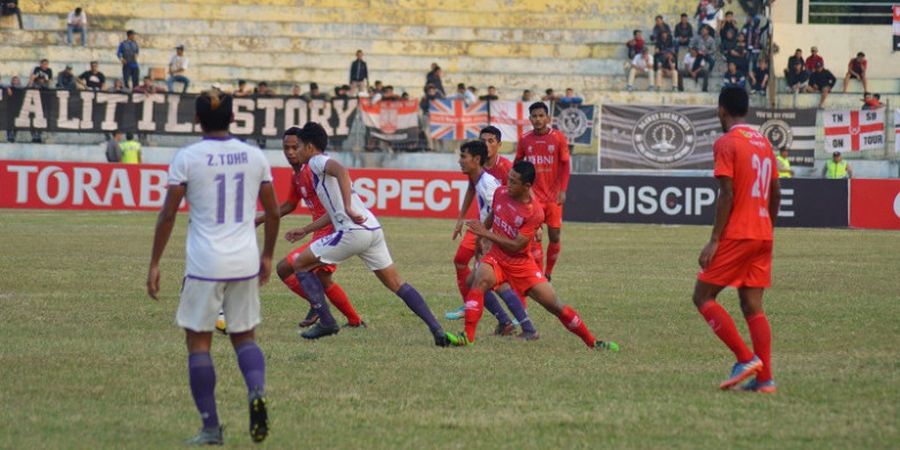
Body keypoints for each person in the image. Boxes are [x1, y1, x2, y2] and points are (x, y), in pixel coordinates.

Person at [146, 91, 278, 444]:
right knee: (244, 337)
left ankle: (210, 427)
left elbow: (169, 213)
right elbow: (274, 210)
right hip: (245, 260)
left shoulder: (187, 158)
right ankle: (255, 390)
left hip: (205, 263)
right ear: (234, 118)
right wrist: (267, 256)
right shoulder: (254, 156)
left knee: (199, 343)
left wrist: (155, 262)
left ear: (197, 121)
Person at [282, 122, 453, 346]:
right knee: (397, 284)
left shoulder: (316, 161)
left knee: (300, 265)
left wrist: (349, 209)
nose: (297, 151)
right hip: (372, 229)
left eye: (300, 146)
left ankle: (325, 321)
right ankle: (438, 331)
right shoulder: (318, 166)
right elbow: (334, 211)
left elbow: (341, 171)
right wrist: (305, 230)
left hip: (352, 231)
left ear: (310, 147)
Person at [448, 159, 618, 351]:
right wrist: (481, 239)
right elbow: (493, 215)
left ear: (527, 186)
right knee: (478, 281)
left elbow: (516, 245)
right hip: (496, 257)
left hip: (521, 264)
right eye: (509, 179)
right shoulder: (500, 192)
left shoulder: (534, 212)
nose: (508, 184)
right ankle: (467, 336)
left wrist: (485, 234)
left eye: (513, 182)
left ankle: (592, 342)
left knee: (556, 306)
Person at [692, 86, 781, 394]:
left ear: (721, 110)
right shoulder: (764, 142)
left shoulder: (726, 142)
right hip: (762, 233)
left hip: (739, 232)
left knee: (702, 296)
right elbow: (776, 191)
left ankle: (745, 359)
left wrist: (715, 239)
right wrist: (768, 226)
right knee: (752, 305)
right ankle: (765, 379)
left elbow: (726, 193)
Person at [240, 127, 365, 332]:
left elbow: (337, 187)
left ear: (304, 147)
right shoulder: (296, 176)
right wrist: (260, 219)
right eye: (286, 148)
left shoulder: (312, 170)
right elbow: (289, 205)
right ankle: (353, 321)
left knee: (285, 268)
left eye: (294, 147)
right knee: (323, 280)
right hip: (320, 232)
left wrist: (309, 228)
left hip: (333, 231)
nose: (290, 152)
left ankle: (319, 308)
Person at [447, 129, 538, 339]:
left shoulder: (488, 183)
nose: (460, 161)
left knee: (483, 282)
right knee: (489, 282)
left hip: (498, 237)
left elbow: (501, 210)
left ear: (476, 160)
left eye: (463, 157)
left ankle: (512, 325)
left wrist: (487, 239)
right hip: (491, 236)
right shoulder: (479, 180)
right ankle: (514, 324)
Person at [515, 103, 570, 281]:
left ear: (547, 118)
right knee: (535, 237)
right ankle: (538, 276)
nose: (537, 119)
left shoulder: (558, 138)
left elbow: (566, 165)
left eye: (541, 116)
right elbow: (517, 163)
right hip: (533, 198)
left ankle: (548, 273)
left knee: (554, 236)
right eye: (534, 116)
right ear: (530, 118)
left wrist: (562, 190)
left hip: (553, 198)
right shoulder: (525, 139)